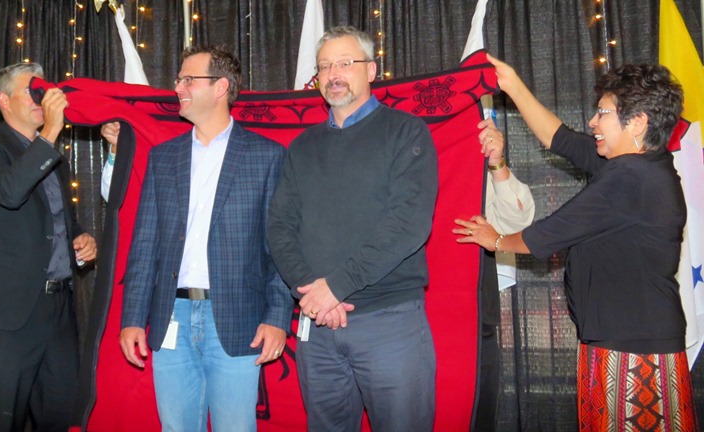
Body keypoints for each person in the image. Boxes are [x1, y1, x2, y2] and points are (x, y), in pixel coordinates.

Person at [455, 56, 698, 431]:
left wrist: (496, 238)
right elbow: (559, 138)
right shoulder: (636, 163)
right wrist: (512, 84)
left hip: (634, 347)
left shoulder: (631, 178)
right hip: (616, 338)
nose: (593, 122)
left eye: (603, 113)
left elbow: (548, 233)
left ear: (637, 122)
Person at [267, 26, 438, 431]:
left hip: (389, 322)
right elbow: (279, 226)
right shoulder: (302, 147)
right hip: (317, 327)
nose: (333, 74)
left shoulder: (406, 132)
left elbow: (408, 224)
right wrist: (310, 291)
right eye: (324, 66)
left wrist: (336, 287)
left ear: (372, 70)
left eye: (345, 63)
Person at [116, 45, 293, 431]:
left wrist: (278, 316)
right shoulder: (164, 158)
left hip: (238, 321)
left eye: (187, 79)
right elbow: (145, 243)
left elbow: (280, 247)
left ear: (220, 87)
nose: (177, 86)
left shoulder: (267, 156)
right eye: (178, 79)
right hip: (170, 319)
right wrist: (132, 317)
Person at [0, 62, 98, 432]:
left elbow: (58, 221)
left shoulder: (51, 157)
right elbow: (9, 192)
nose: (43, 98)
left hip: (57, 308)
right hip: (6, 312)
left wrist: (82, 239)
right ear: (3, 100)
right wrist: (49, 133)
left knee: (63, 417)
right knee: (2, 420)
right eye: (32, 92)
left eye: (43, 91)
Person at [474, 117, 535, 431]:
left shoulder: (472, 167)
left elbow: (516, 223)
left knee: (475, 413)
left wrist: (496, 163)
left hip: (475, 318)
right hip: (405, 316)